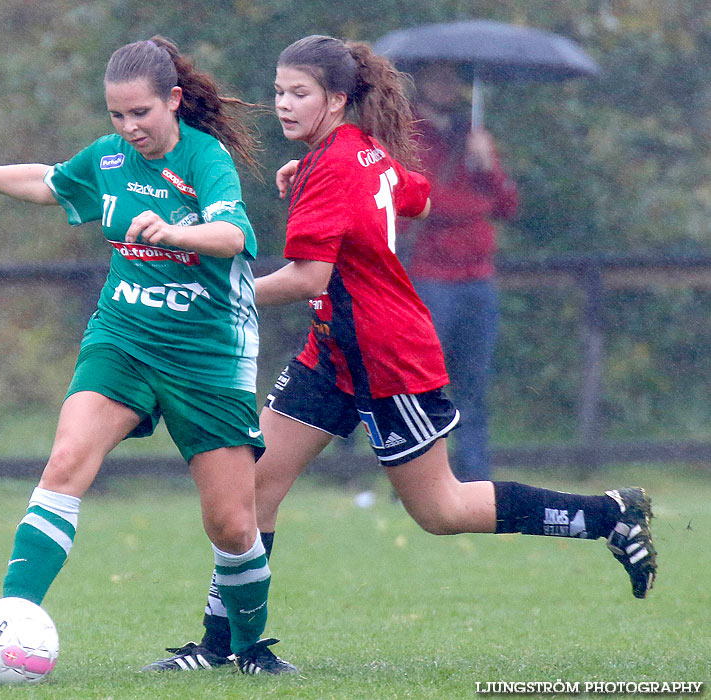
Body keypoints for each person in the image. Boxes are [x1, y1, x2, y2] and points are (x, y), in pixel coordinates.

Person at [143, 35, 656, 672]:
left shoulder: (335, 163)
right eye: (278, 91)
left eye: (299, 94)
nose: (283, 104)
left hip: (389, 358)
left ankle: (608, 516)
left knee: (440, 509)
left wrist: (221, 298)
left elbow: (308, 278)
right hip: (333, 354)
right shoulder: (353, 152)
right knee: (253, 488)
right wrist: (309, 169)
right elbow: (414, 193)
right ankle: (228, 649)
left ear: (336, 99)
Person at [0, 36, 296, 675]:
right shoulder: (111, 159)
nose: (129, 128)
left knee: (233, 526)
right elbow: (48, 181)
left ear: (173, 101)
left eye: (141, 113)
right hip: (123, 336)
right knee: (66, 460)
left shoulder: (206, 159)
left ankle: (248, 648)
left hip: (207, 353)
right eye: (117, 116)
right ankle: (7, 618)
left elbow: (232, 234)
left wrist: (177, 231)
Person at [397, 62, 519, 483]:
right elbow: (423, 200)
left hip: (478, 277)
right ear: (422, 82)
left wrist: (488, 167)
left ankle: (476, 475)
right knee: (424, 380)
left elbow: (508, 206)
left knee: (474, 382)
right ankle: (418, 475)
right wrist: (476, 205)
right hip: (431, 275)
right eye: (436, 77)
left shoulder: (474, 135)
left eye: (451, 78)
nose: (445, 85)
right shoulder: (409, 134)